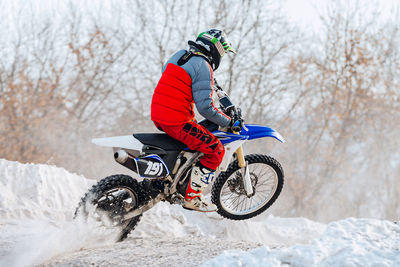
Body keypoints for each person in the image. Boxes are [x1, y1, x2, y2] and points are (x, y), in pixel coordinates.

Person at [151, 29, 238, 212]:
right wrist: (227, 122)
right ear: (215, 49)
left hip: (158, 114)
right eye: (222, 51)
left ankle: (174, 177)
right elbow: (205, 108)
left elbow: (170, 74)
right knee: (214, 149)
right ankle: (192, 197)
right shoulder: (203, 66)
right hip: (177, 120)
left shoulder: (180, 55)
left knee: (194, 137)